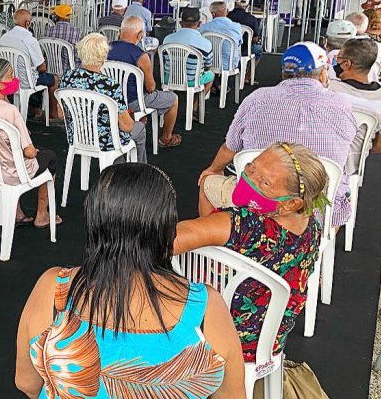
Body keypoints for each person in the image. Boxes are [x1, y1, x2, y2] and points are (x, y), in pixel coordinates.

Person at [16, 163, 244, 399]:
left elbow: (27, 383)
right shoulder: (207, 310)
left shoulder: (53, 289)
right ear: (167, 229)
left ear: (94, 223)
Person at [179, 143, 327, 366]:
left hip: (216, 338)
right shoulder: (311, 224)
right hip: (268, 341)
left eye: (264, 182)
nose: (249, 179)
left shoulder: (243, 225)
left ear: (291, 204)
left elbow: (161, 240)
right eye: (251, 168)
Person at [198, 42, 357, 226]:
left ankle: (214, 238)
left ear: (284, 73)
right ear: (323, 74)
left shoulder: (258, 98)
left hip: (255, 205)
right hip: (318, 210)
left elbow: (231, 146)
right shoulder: (342, 104)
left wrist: (214, 170)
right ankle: (317, 245)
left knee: (207, 183)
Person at [0, 59, 60, 227]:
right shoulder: (10, 111)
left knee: (19, 153)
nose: (14, 79)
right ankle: (42, 214)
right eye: (10, 76)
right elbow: (29, 152)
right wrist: (33, 153)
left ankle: (17, 212)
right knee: (49, 157)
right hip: (11, 171)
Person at [60, 33, 147, 163]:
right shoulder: (110, 85)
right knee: (139, 128)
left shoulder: (67, 77)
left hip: (78, 137)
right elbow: (127, 126)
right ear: (104, 55)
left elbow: (61, 114)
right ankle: (139, 173)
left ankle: (117, 169)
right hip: (105, 141)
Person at [108, 16, 181, 148]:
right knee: (173, 99)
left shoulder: (105, 48)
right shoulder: (141, 55)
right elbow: (151, 87)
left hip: (110, 100)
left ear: (121, 31)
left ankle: (139, 121)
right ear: (140, 35)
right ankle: (166, 139)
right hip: (133, 102)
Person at [329, 38, 381, 174]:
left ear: (346, 64)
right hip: (351, 169)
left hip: (317, 161)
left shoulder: (328, 90)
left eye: (338, 59)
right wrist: (360, 150)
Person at [0, 9, 63, 121]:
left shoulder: (4, 37)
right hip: (25, 82)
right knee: (54, 79)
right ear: (27, 23)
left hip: (7, 79)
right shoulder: (30, 39)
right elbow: (42, 67)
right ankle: (53, 114)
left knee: (34, 74)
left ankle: (35, 109)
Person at [163, 7, 216, 101]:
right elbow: (208, 66)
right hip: (193, 81)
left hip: (169, 78)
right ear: (199, 24)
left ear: (180, 23)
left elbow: (165, 60)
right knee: (211, 75)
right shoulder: (205, 43)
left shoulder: (167, 39)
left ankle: (170, 104)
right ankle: (195, 106)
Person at [199, 1, 243, 72]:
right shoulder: (236, 27)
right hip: (230, 65)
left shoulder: (203, 28)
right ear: (227, 11)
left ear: (212, 14)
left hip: (209, 65)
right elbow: (239, 43)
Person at [227, 0, 263, 74]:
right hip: (245, 49)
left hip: (228, 48)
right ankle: (247, 76)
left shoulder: (227, 16)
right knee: (259, 50)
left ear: (234, 3)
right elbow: (255, 39)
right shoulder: (252, 19)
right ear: (247, 6)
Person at [45, 5, 81, 70]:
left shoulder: (48, 31)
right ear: (69, 17)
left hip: (51, 69)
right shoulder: (77, 32)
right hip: (70, 70)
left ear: (57, 17)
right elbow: (78, 55)